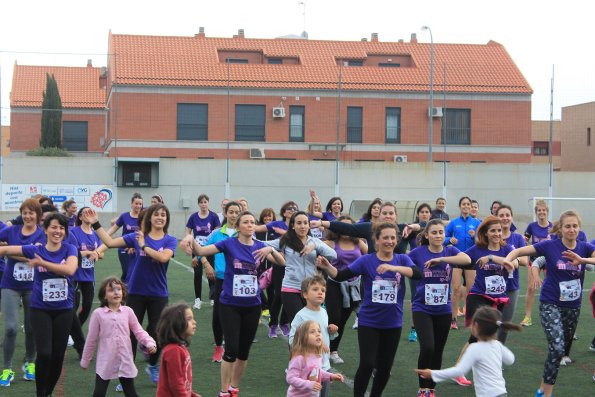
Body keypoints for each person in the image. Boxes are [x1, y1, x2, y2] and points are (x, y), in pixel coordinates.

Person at [180, 211, 285, 397]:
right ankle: (223, 390)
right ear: (238, 227)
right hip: (230, 304)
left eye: (252, 222)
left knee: (244, 352)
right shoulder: (229, 244)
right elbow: (202, 251)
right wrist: (190, 237)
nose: (250, 225)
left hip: (253, 306)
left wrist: (272, 250)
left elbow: (282, 262)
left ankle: (233, 388)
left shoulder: (261, 246)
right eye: (246, 222)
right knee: (231, 350)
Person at [316, 222, 422, 397]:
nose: (389, 241)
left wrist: (393, 267)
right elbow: (342, 275)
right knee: (367, 363)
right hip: (369, 322)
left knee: (385, 367)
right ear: (377, 240)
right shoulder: (367, 260)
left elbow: (417, 273)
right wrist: (328, 266)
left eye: (393, 238)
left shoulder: (402, 259)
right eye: (385, 238)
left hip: (393, 322)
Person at [84, 204, 177, 385]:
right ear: (149, 218)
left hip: (158, 293)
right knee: (130, 335)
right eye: (156, 214)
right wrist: (96, 223)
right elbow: (109, 243)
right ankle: (126, 374)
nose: (160, 217)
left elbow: (163, 258)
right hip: (135, 292)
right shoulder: (135, 237)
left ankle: (152, 365)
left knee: (157, 333)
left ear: (167, 220)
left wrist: (143, 245)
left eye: (163, 215)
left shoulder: (169, 240)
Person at [505, 210, 595, 397]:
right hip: (550, 303)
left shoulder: (585, 247)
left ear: (579, 228)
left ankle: (541, 389)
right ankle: (547, 394)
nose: (571, 229)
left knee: (559, 353)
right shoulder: (549, 246)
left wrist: (582, 260)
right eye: (567, 226)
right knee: (557, 347)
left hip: (573, 306)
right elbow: (521, 250)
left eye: (575, 226)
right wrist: (508, 259)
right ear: (560, 229)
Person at [0, 212, 78, 397]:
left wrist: (43, 263)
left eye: (61, 227)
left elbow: (70, 269)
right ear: (45, 229)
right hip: (40, 309)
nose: (57, 231)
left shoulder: (70, 249)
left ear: (65, 231)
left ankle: (47, 392)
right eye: (53, 227)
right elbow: (5, 250)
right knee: (44, 354)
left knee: (58, 356)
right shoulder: (35, 249)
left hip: (64, 309)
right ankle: (40, 393)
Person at [408, 219, 471, 397]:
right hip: (422, 308)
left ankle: (431, 389)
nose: (438, 236)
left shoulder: (449, 251)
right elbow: (402, 259)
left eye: (441, 233)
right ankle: (422, 388)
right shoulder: (418, 252)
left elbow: (466, 259)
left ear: (445, 235)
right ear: (427, 235)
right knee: (427, 347)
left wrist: (441, 259)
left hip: (443, 310)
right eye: (434, 232)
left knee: (438, 351)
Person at [451, 215, 517, 387]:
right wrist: (444, 258)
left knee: (489, 336)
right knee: (476, 336)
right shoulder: (477, 250)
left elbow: (515, 262)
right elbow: (462, 258)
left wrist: (492, 258)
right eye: (493, 230)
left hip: (498, 300)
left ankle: (477, 368)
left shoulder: (507, 249)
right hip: (479, 298)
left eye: (499, 230)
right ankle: (459, 371)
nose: (497, 233)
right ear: (486, 233)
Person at [415, 306, 521, 397]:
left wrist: (433, 373)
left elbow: (459, 371)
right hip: (502, 393)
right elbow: (511, 360)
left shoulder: (474, 348)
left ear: (476, 326)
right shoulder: (497, 345)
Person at [257, 211, 337, 326]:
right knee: (299, 326)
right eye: (299, 223)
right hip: (291, 288)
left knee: (312, 325)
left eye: (305, 223)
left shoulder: (315, 241)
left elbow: (334, 255)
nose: (303, 226)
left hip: (311, 289)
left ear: (309, 225)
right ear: (293, 226)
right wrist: (268, 248)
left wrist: (315, 246)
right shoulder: (285, 241)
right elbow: (262, 244)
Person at [81, 277, 156, 397]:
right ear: (104, 295)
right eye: (111, 290)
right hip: (105, 361)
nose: (116, 292)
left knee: (131, 393)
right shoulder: (98, 314)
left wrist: (149, 342)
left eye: (119, 289)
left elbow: (139, 331)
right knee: (99, 393)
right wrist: (85, 360)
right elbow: (91, 339)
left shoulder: (128, 311)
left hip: (124, 359)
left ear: (123, 293)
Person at [0, 198, 45, 387]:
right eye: (25, 212)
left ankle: (29, 364)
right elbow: (31, 255)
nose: (28, 216)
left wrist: (9, 252)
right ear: (21, 214)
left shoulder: (43, 234)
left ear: (38, 215)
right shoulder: (11, 231)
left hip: (33, 287)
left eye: (31, 213)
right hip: (10, 284)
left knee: (32, 328)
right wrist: (18, 253)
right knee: (10, 328)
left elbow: (42, 256)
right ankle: (7, 369)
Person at [322, 216, 367, 364]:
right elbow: (314, 248)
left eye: (349, 226)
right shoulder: (331, 243)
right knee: (333, 318)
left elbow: (371, 254)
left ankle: (333, 351)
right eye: (343, 226)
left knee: (342, 321)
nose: (346, 230)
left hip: (354, 286)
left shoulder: (359, 243)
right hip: (335, 284)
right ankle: (324, 349)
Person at [201, 201, 241, 363]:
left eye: (236, 212)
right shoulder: (217, 233)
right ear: (225, 213)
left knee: (238, 314)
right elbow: (200, 249)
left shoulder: (244, 232)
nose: (233, 215)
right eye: (230, 212)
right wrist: (207, 264)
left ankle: (235, 347)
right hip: (222, 279)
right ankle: (219, 347)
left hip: (240, 280)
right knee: (218, 315)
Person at [254, 201, 300, 337]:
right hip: (279, 264)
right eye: (289, 209)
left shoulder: (298, 226)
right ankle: (273, 324)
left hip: (294, 265)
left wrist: (284, 233)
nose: (292, 210)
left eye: (295, 208)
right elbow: (257, 229)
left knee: (291, 293)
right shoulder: (276, 225)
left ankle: (284, 323)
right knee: (279, 295)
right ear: (284, 212)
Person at [288, 276, 339, 397]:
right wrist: (318, 344)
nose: (320, 292)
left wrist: (331, 331)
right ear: (305, 294)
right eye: (315, 289)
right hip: (307, 368)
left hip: (323, 365)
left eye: (323, 290)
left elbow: (324, 337)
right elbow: (292, 340)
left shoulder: (324, 312)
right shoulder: (301, 316)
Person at [69, 206, 107, 357]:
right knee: (73, 307)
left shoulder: (95, 234)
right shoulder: (74, 232)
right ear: (79, 217)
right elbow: (73, 251)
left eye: (90, 213)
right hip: (76, 276)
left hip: (89, 276)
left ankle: (73, 330)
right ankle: (77, 340)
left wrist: (97, 254)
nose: (88, 215)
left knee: (87, 306)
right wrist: (86, 253)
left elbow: (101, 252)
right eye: (85, 213)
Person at [444, 196, 481, 330]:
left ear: (471, 207)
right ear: (460, 206)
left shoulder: (476, 223)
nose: (466, 206)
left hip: (471, 259)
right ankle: (453, 318)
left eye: (468, 204)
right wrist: (450, 239)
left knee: (471, 290)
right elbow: (444, 237)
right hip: (457, 258)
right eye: (463, 204)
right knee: (456, 289)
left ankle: (470, 318)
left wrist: (474, 236)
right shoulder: (453, 223)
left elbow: (481, 240)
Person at [496, 205, 528, 344]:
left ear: (512, 217)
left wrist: (513, 260)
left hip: (511, 287)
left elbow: (525, 260)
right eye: (501, 215)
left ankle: (498, 356)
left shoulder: (518, 238)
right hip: (491, 288)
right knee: (490, 323)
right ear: (496, 218)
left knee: (505, 324)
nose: (505, 218)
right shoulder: (492, 236)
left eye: (507, 215)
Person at [287, 320, 344, 397]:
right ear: (302, 337)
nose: (317, 334)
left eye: (319, 331)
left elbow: (317, 372)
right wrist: (309, 384)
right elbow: (291, 378)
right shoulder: (299, 358)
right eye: (312, 332)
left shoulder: (317, 356)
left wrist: (331, 376)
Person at [156, 303, 201, 397]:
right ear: (177, 323)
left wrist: (191, 394)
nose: (194, 322)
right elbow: (175, 384)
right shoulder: (173, 350)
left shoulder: (180, 347)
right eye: (189, 319)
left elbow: (182, 380)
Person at [186, 194, 221, 309]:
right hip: (197, 249)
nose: (203, 204)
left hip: (210, 249)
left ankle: (212, 297)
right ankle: (198, 299)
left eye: (205, 202)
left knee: (211, 273)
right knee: (197, 273)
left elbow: (216, 233)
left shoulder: (213, 216)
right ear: (198, 204)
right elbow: (188, 233)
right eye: (201, 202)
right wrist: (189, 245)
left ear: (208, 203)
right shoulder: (193, 217)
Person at [521, 199, 552, 327]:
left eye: (543, 210)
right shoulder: (531, 226)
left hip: (549, 260)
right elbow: (524, 241)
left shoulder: (552, 227)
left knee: (551, 288)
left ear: (547, 212)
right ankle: (527, 317)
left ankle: (551, 316)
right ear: (536, 212)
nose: (541, 212)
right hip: (534, 261)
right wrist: (525, 243)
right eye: (539, 210)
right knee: (531, 287)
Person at [106, 193, 143, 282]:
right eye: (136, 203)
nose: (138, 206)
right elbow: (113, 229)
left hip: (137, 249)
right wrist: (104, 237)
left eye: (140, 204)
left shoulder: (144, 217)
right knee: (126, 272)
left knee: (135, 273)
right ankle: (123, 289)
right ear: (131, 204)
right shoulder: (124, 216)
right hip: (124, 248)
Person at [255, 208, 277, 317]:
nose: (268, 218)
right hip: (260, 265)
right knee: (256, 289)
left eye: (270, 216)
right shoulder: (258, 230)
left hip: (272, 267)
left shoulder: (276, 230)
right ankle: (262, 308)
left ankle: (272, 316)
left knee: (271, 292)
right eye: (265, 216)